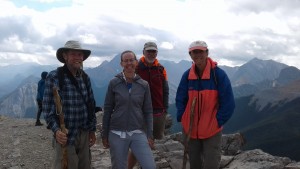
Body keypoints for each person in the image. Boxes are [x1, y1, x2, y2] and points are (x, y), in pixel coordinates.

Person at [176, 40, 235, 169]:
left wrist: (217, 121)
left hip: (211, 130)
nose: (198, 55)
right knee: (194, 164)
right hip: (190, 129)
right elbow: (180, 98)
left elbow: (229, 103)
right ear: (190, 54)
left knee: (211, 164)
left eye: (201, 51)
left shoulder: (218, 75)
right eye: (194, 52)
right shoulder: (187, 76)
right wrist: (182, 117)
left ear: (207, 53)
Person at [43, 40, 97, 169]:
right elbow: (47, 108)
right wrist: (56, 130)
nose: (78, 58)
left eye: (80, 55)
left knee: (85, 165)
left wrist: (92, 130)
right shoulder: (54, 77)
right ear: (65, 56)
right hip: (66, 135)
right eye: (74, 54)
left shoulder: (85, 77)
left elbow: (91, 104)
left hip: (83, 133)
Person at [101, 50, 156, 169]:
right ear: (121, 64)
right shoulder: (114, 83)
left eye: (131, 60)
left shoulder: (143, 85)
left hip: (137, 131)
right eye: (126, 61)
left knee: (150, 166)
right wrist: (104, 134)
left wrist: (150, 135)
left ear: (136, 62)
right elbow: (108, 109)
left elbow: (148, 111)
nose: (129, 63)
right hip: (116, 132)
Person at [128, 41, 169, 168]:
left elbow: (165, 89)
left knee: (150, 142)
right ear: (143, 52)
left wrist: (165, 109)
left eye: (153, 51)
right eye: (148, 51)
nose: (151, 54)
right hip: (139, 112)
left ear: (157, 53)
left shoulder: (161, 69)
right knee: (139, 143)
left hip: (158, 111)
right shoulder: (136, 68)